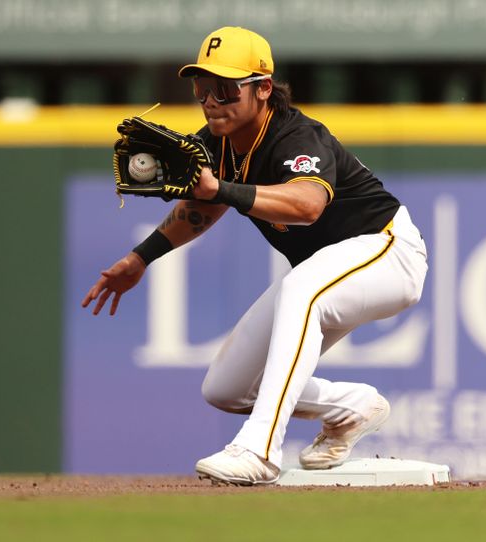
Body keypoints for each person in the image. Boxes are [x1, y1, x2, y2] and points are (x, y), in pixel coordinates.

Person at [82, 26, 428, 485]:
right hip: (326, 268)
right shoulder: (215, 143)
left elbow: (306, 205)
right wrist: (141, 258)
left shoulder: (296, 136)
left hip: (387, 251)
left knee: (302, 290)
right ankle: (352, 408)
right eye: (202, 88)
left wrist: (220, 189)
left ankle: (258, 450)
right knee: (226, 387)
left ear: (263, 88)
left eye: (225, 89)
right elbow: (202, 206)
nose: (211, 101)